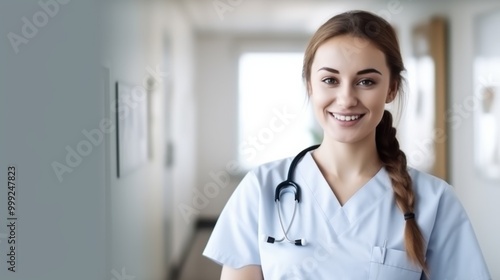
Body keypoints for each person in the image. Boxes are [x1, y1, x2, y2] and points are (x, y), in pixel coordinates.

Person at [203, 10, 491, 280]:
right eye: (330, 79)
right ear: (310, 85)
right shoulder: (260, 189)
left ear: (391, 88)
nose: (346, 98)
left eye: (366, 82)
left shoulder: (435, 201)